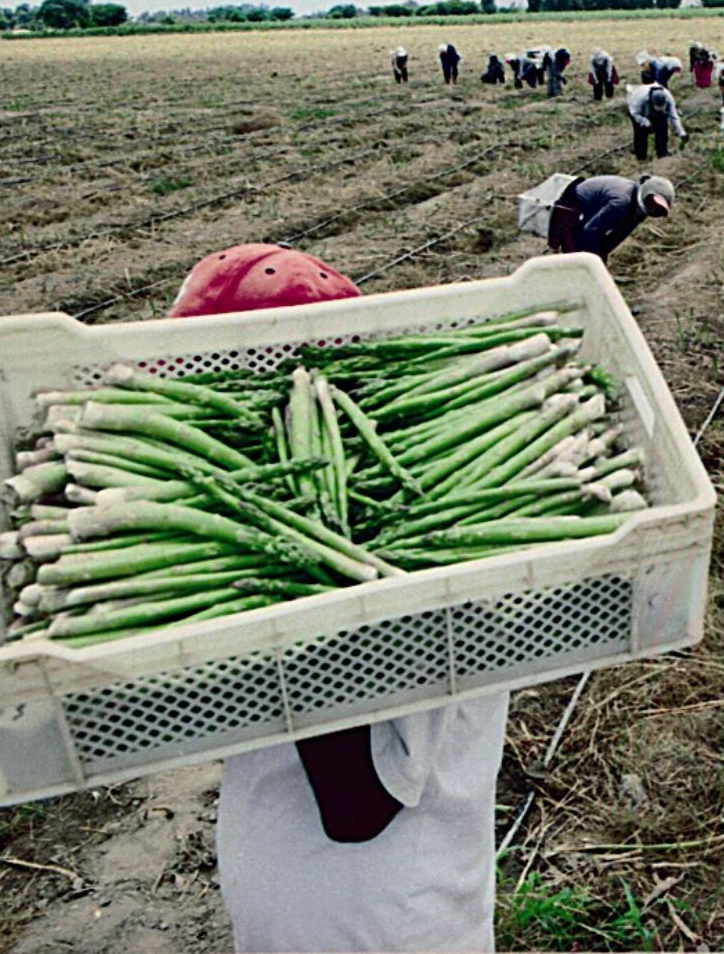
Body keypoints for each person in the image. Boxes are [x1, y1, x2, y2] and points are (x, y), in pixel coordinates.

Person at [176, 245, 508, 954]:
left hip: (377, 922)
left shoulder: (404, 567)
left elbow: (358, 805)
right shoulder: (314, 525)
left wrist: (289, 604)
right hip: (304, 897)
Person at [546, 174, 675, 260]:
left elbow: (618, 236)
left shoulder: (639, 211)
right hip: (572, 206)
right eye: (653, 203)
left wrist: (602, 256)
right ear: (647, 194)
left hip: (592, 215)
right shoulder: (621, 202)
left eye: (658, 210)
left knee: (591, 256)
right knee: (574, 256)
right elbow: (591, 230)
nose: (653, 209)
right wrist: (597, 260)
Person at [626, 82, 685, 160]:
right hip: (638, 112)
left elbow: (673, 116)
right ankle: (641, 157)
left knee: (662, 128)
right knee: (640, 133)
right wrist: (646, 123)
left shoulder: (668, 97)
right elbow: (634, 113)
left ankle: (662, 154)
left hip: (652, 111)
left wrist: (681, 133)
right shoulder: (641, 98)